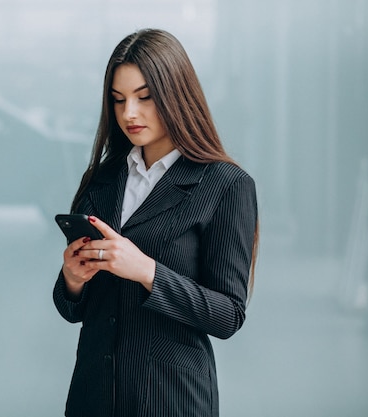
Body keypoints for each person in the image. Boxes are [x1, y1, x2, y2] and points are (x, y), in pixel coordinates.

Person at [53, 28, 259, 417]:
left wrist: (146, 271)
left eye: (144, 97)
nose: (129, 113)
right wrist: (72, 279)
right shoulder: (102, 178)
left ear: (176, 93)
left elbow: (229, 314)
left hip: (169, 399)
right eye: (119, 100)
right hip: (93, 396)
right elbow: (72, 309)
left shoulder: (226, 185)